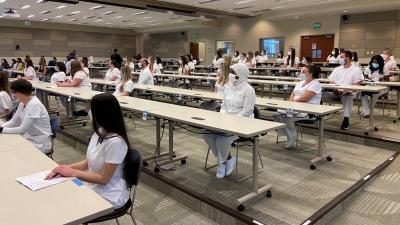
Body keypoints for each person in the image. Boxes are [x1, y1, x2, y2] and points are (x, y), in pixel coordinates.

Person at [45, 93, 131, 209]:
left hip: (110, 193)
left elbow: (103, 179)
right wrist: (65, 168)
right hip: (94, 184)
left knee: (65, 202)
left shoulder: (116, 142)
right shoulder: (99, 132)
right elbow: (87, 162)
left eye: (91, 110)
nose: (88, 112)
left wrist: (71, 172)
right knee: (61, 189)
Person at [203, 63, 256, 179]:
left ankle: (221, 164)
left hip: (243, 123)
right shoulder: (228, 87)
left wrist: (232, 121)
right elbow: (223, 106)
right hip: (227, 120)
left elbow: (247, 112)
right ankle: (228, 159)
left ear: (240, 75)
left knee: (222, 139)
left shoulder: (249, 90)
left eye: (233, 72)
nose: (230, 75)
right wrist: (224, 117)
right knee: (207, 134)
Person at [274, 65, 322, 149]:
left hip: (308, 112)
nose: (301, 73)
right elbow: (292, 94)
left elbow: (305, 98)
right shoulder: (300, 83)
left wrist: (292, 103)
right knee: (276, 114)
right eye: (300, 71)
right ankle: (288, 135)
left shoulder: (315, 84)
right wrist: (291, 104)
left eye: (303, 72)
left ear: (311, 73)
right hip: (295, 108)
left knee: (287, 117)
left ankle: (292, 137)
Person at [0, 79, 52, 154]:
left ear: (18, 94)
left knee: (11, 152)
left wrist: (2, 130)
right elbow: (13, 121)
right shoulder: (23, 102)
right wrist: (2, 126)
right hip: (30, 137)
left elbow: (22, 129)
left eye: (13, 92)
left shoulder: (34, 105)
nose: (12, 95)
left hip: (41, 143)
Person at [328, 50, 364, 130]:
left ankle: (346, 119)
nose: (339, 59)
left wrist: (345, 90)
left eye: (341, 57)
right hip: (335, 91)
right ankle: (313, 115)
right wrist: (335, 89)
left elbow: (357, 84)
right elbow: (331, 81)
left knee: (347, 96)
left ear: (348, 58)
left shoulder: (356, 69)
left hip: (349, 92)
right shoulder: (337, 69)